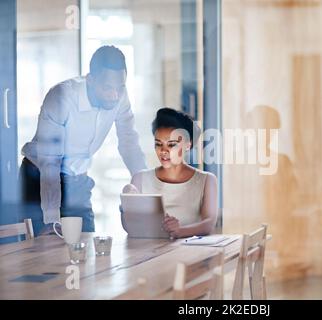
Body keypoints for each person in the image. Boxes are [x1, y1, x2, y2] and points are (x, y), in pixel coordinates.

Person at [20, 45, 147, 234]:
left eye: (120, 87)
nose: (115, 95)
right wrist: (52, 219)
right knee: (42, 250)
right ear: (91, 79)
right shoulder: (62, 97)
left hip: (77, 180)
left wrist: (146, 187)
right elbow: (50, 163)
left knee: (86, 247)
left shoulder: (120, 96)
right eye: (108, 88)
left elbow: (129, 141)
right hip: (39, 178)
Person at [122, 107, 218, 238]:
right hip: (147, 252)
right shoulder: (139, 179)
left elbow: (209, 224)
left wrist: (180, 231)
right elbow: (130, 227)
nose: (163, 151)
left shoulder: (207, 180)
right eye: (158, 144)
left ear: (188, 145)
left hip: (188, 252)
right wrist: (124, 211)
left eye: (172, 145)